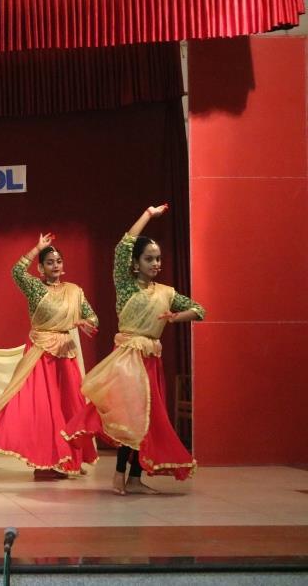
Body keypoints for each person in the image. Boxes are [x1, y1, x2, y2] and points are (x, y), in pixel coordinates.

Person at [63, 205, 205, 495]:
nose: (156, 263)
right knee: (130, 417)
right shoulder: (127, 286)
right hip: (128, 361)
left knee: (147, 419)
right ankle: (119, 475)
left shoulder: (166, 292)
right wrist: (148, 215)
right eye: (149, 258)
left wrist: (177, 317)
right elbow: (123, 247)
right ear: (135, 264)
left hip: (151, 362)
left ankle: (136, 479)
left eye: (158, 258)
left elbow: (199, 310)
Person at [0, 233, 98, 477]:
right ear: (41, 268)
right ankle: (42, 463)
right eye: (50, 262)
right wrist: (37, 248)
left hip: (65, 354)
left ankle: (67, 459)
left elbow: (92, 317)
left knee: (69, 406)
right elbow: (16, 272)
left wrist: (83, 322)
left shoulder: (74, 291)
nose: (55, 266)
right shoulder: (35, 287)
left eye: (58, 261)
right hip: (40, 355)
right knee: (43, 409)